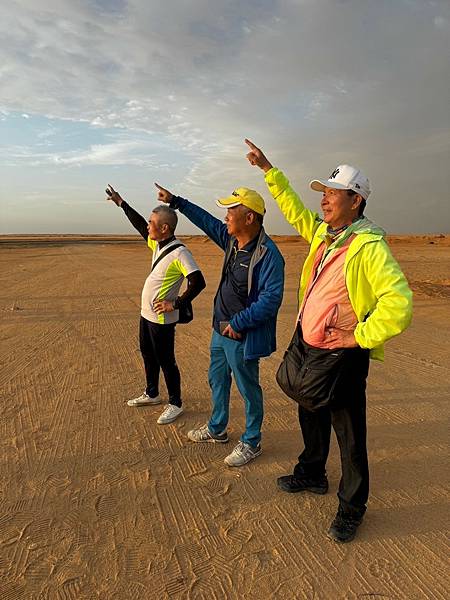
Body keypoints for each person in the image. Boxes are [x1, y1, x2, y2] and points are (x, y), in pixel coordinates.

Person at [245, 139, 413, 542]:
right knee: (308, 406)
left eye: (334, 194)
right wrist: (269, 169)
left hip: (344, 353)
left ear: (356, 201)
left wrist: (361, 336)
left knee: (350, 431)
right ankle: (312, 472)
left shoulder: (369, 246)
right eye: (325, 193)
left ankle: (352, 507)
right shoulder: (324, 233)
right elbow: (293, 209)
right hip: (310, 340)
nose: (325, 200)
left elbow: (399, 302)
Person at [155, 182, 285, 467]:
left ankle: (252, 442)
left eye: (231, 211)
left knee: (248, 387)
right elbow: (207, 221)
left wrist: (239, 322)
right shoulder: (231, 241)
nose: (225, 217)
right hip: (219, 329)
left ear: (249, 217)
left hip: (241, 333)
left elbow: (271, 299)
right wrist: (176, 201)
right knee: (217, 380)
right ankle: (217, 428)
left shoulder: (268, 255)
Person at [106, 185, 206, 424]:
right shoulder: (158, 244)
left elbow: (198, 282)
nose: (148, 226)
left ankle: (176, 403)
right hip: (147, 315)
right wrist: (122, 203)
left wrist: (176, 304)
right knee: (147, 354)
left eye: (153, 223)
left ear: (164, 228)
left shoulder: (180, 252)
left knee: (166, 361)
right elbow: (140, 225)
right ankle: (152, 393)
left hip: (162, 319)